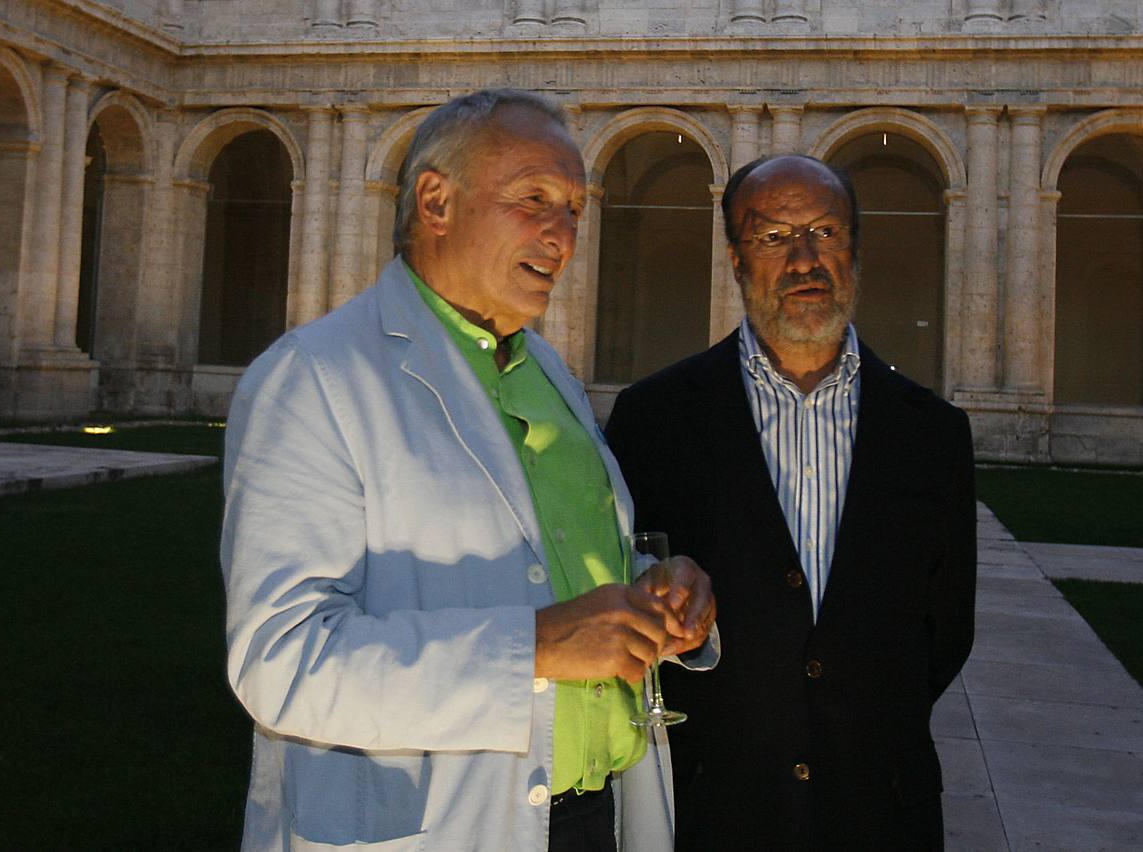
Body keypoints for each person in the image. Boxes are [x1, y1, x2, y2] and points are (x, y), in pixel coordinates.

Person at [219, 89, 718, 852]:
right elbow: (281, 662)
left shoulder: (546, 368)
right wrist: (540, 646)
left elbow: (544, 564)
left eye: (575, 209)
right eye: (534, 200)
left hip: (597, 814)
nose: (563, 236)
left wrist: (654, 585)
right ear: (435, 200)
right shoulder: (314, 378)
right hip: (441, 827)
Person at [604, 155, 976, 851]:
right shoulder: (652, 420)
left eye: (826, 232)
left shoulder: (932, 433)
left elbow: (945, 630)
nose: (805, 259)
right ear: (737, 261)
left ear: (854, 250)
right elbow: (628, 590)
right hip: (713, 805)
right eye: (773, 237)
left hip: (878, 806)